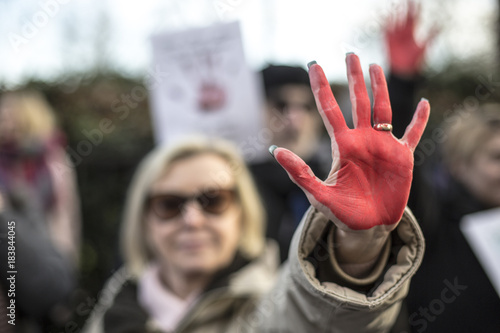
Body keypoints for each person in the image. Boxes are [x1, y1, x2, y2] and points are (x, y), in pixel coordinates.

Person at [82, 53, 430, 332]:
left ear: (244, 213)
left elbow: (314, 314)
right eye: (169, 205)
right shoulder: (111, 310)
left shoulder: (264, 307)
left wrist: (359, 245)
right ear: (142, 220)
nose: (191, 219)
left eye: (212, 201)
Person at [251, 64, 330, 261]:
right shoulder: (236, 188)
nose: (295, 119)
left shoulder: (335, 181)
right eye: (281, 106)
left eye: (306, 107)